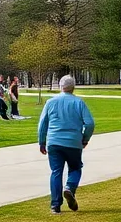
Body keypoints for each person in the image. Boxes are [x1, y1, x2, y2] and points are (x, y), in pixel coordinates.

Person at [37, 75, 95, 214]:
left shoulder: (51, 102)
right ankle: (69, 187)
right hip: (73, 141)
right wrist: (85, 138)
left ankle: (55, 205)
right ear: (73, 87)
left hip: (54, 141)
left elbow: (42, 124)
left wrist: (42, 141)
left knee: (56, 172)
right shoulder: (78, 102)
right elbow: (90, 123)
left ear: (60, 86)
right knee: (75, 168)